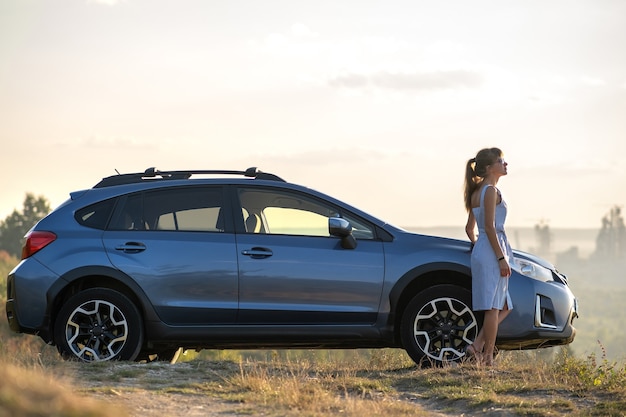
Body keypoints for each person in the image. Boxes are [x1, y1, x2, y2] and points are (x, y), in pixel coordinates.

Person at [463, 147, 513, 366]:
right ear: (488, 167)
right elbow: (490, 227)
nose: (505, 164)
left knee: (504, 306)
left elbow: (469, 228)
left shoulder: (476, 192)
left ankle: (476, 346)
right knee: (493, 308)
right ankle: (487, 358)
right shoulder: (490, 191)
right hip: (492, 250)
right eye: (501, 161)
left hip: (483, 249)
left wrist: (478, 246)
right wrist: (500, 258)